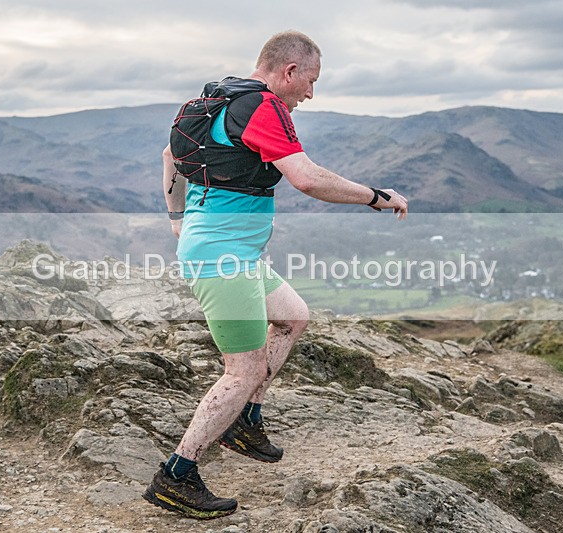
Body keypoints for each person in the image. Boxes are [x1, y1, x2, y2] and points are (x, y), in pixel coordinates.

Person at [143, 30, 408, 519]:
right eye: (310, 81)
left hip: (227, 251)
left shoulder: (213, 99)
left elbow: (169, 159)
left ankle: (246, 421)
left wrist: (178, 224)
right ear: (289, 72)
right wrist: (375, 196)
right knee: (241, 371)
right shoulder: (263, 107)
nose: (310, 93)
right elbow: (306, 178)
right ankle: (176, 476)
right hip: (225, 258)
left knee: (292, 317)